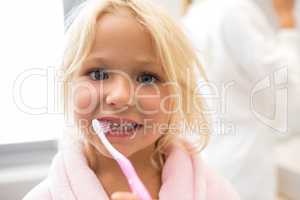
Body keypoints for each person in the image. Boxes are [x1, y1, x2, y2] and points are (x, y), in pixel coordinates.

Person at [23, 0, 239, 199]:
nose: (120, 96)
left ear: (177, 96)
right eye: (98, 74)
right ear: (68, 84)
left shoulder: (217, 193)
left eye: (146, 78)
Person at [183, 0, 300, 199]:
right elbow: (285, 86)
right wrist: (287, 21)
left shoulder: (195, 13)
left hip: (211, 155)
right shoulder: (235, 11)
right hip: (242, 164)